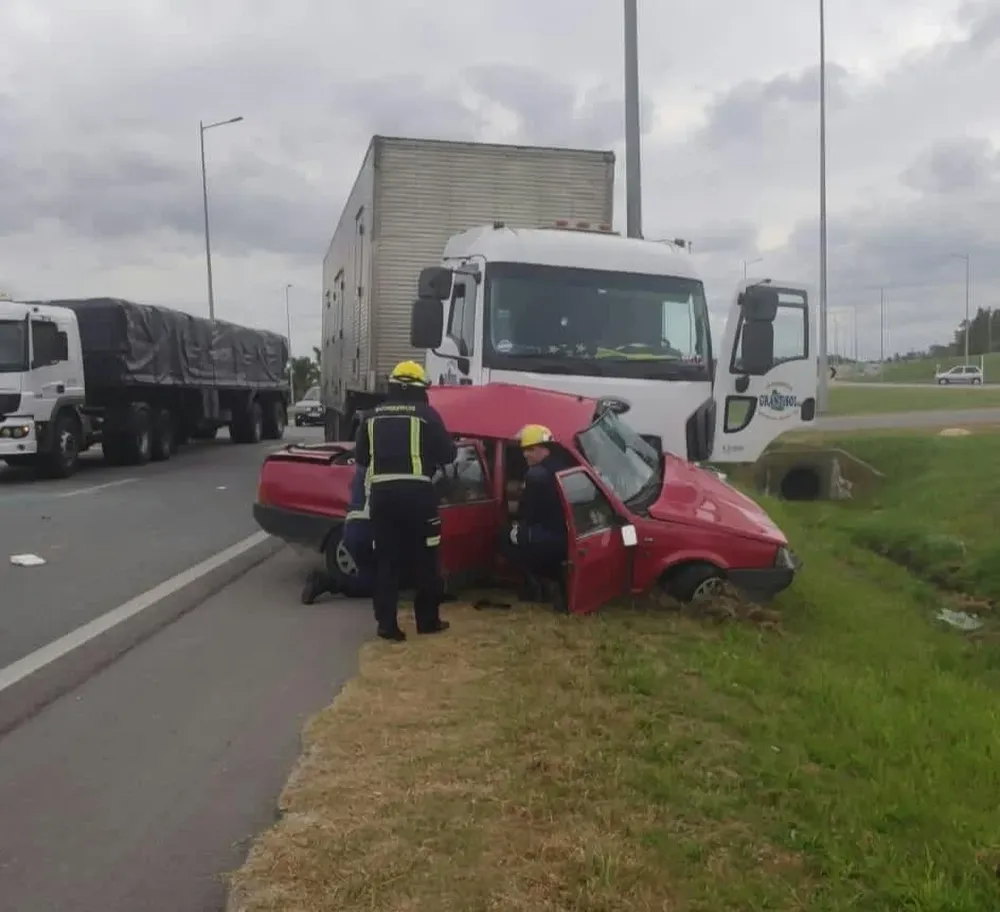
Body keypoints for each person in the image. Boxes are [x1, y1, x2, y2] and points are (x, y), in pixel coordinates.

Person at [354, 360, 456, 641]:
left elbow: (361, 458)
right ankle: (427, 621)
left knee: (386, 561)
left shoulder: (370, 417)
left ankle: (387, 625)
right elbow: (448, 455)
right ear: (417, 388)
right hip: (418, 496)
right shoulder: (427, 415)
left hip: (382, 498)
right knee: (427, 558)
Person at [501, 423, 571, 610]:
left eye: (530, 449)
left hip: (548, 534)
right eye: (524, 450)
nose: (525, 455)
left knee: (505, 537)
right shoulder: (563, 466)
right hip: (567, 534)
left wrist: (517, 526)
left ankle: (537, 584)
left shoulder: (536, 475)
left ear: (544, 449)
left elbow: (527, 512)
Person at [300, 460, 375, 605]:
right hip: (367, 534)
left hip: (354, 530)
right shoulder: (392, 466)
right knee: (386, 584)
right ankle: (327, 582)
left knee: (376, 580)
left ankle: (328, 581)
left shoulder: (364, 465)